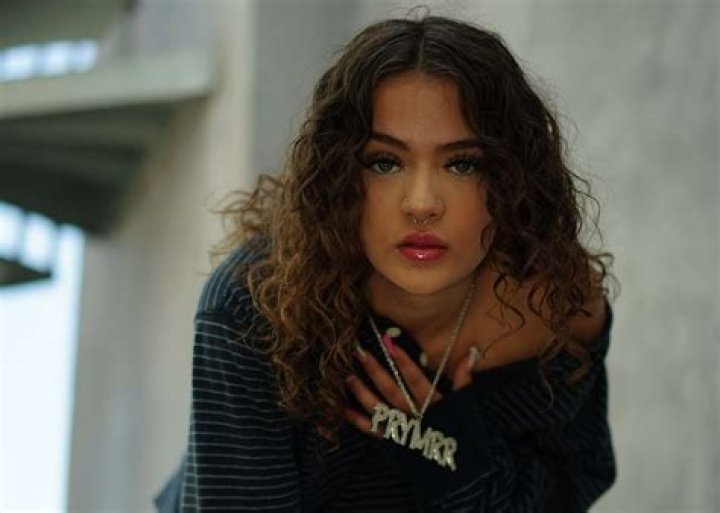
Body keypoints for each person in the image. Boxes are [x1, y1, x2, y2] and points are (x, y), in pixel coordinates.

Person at [155, 13, 618, 513]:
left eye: (461, 163)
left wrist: (448, 460)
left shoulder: (551, 308)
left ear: (509, 178)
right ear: (339, 176)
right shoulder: (255, 306)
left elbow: (571, 489)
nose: (422, 204)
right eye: (385, 162)